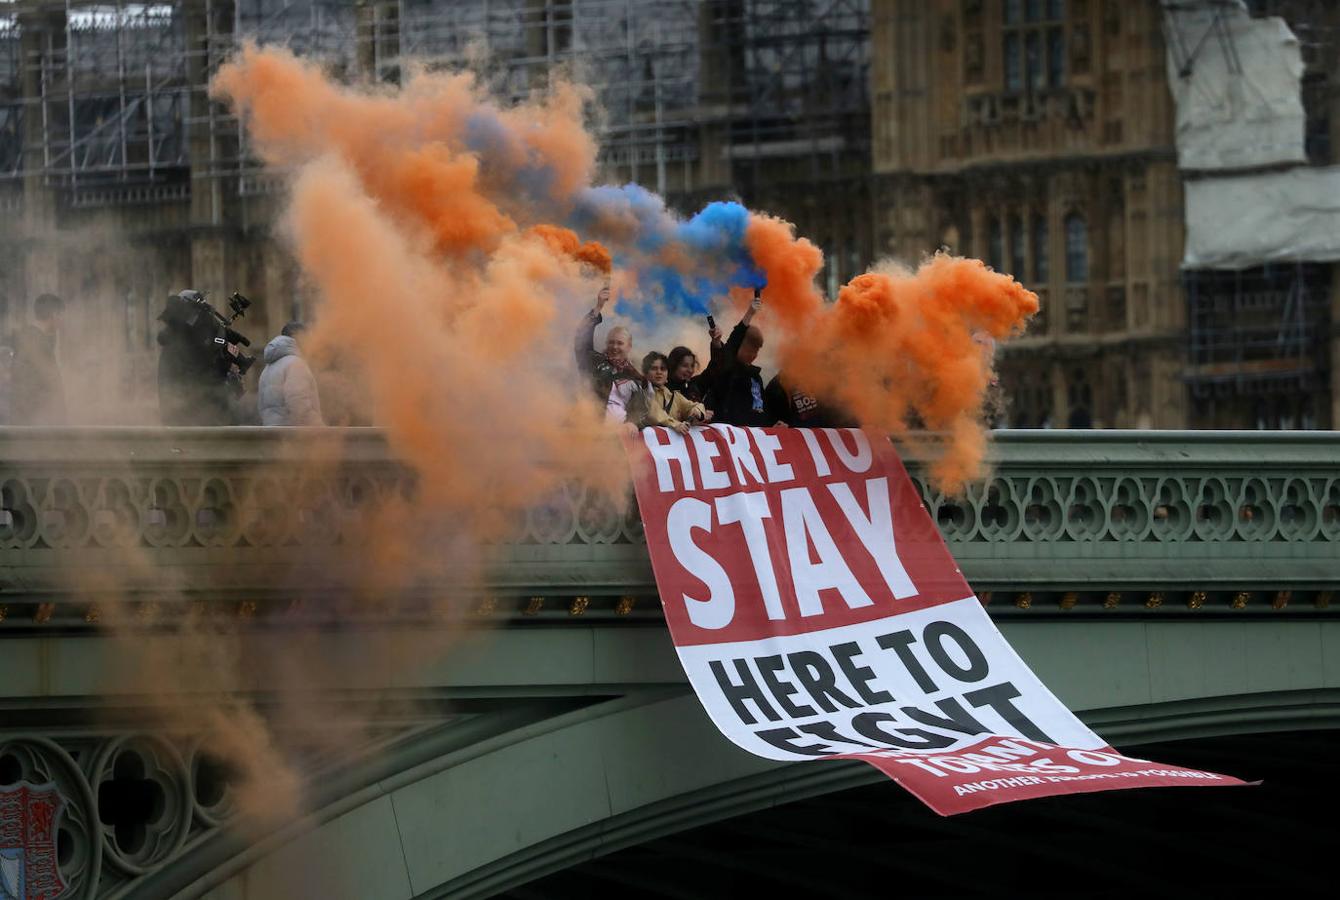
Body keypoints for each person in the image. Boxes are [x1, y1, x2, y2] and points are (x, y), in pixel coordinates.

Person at [574, 284, 643, 425]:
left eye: (619, 343)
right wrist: (598, 307)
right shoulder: (595, 362)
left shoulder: (636, 373)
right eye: (611, 342)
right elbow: (581, 340)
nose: (614, 347)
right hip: (589, 429)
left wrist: (632, 424)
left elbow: (642, 408)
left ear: (629, 346)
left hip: (619, 438)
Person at [704, 289, 771, 427]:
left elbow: (763, 411)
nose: (754, 355)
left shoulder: (756, 378)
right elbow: (733, 342)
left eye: (757, 350)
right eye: (750, 349)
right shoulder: (728, 371)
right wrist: (750, 313)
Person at [9, 293, 68, 426]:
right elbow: (35, 388)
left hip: (33, 422)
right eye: (61, 315)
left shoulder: (31, 339)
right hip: (36, 425)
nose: (62, 322)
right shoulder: (35, 342)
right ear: (54, 314)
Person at [258, 321, 325, 426]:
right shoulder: (296, 364)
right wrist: (319, 430)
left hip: (272, 435)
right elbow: (299, 404)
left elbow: (261, 407)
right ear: (297, 337)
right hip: (293, 436)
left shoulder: (268, 368)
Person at [640, 351, 709, 434]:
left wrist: (697, 411)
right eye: (654, 368)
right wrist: (675, 424)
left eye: (663, 369)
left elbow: (693, 405)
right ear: (645, 373)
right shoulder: (639, 392)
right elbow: (653, 413)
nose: (659, 372)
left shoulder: (673, 395)